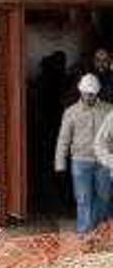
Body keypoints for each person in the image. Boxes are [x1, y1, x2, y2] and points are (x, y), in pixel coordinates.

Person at [56, 74, 113, 234]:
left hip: (104, 162)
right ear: (80, 91)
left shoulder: (109, 110)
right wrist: (60, 162)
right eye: (87, 93)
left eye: (92, 94)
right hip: (80, 162)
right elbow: (63, 139)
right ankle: (85, 235)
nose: (89, 96)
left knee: (104, 198)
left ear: (97, 92)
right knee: (83, 199)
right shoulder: (71, 112)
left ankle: (100, 232)